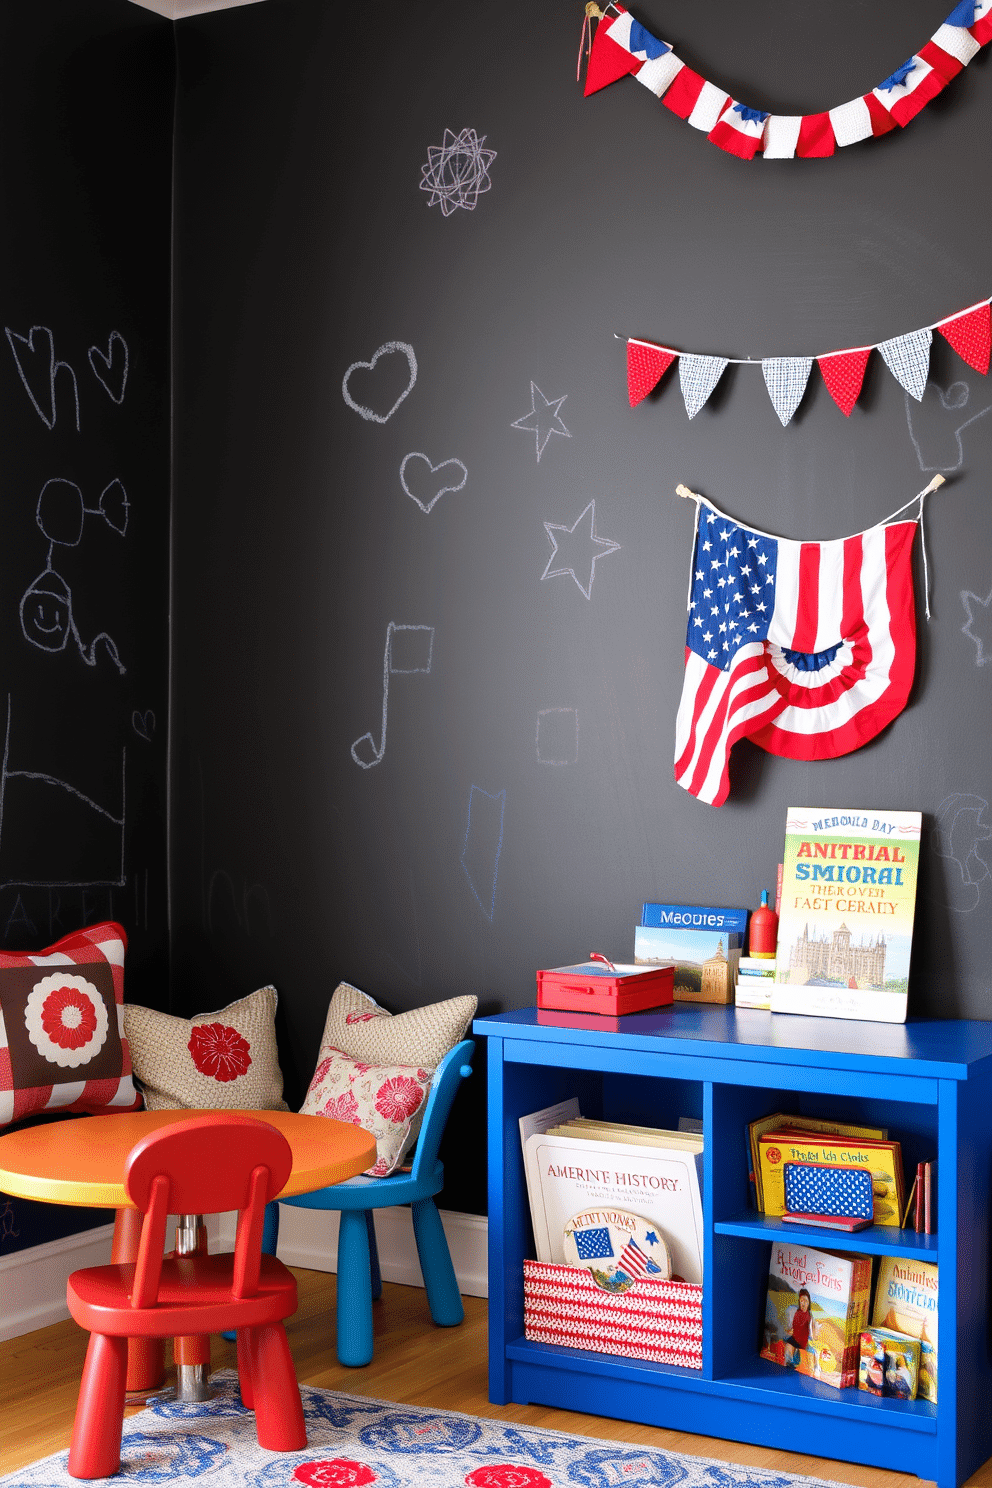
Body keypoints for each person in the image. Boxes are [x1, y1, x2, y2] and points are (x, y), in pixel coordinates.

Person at [784, 1287, 813, 1365]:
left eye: (806, 1301)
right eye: (801, 1301)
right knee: (788, 1347)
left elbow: (811, 1333)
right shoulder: (796, 1312)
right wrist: (789, 1331)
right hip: (794, 1338)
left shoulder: (809, 1316)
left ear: (809, 1302)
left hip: (802, 1342)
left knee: (797, 1357)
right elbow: (791, 1327)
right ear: (799, 1302)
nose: (803, 1304)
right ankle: (788, 1364)